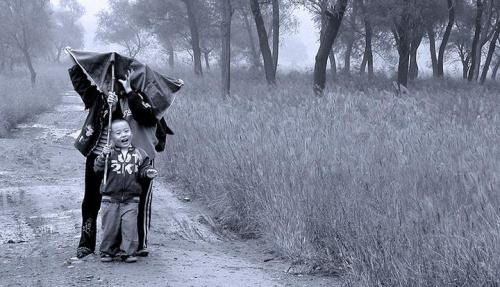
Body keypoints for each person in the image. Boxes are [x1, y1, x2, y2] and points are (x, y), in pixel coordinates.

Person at [69, 64, 163, 259]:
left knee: (118, 200)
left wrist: (118, 103)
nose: (108, 86)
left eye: (113, 82)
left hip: (117, 159)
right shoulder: (95, 97)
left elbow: (127, 127)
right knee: (91, 201)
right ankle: (86, 244)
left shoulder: (129, 99)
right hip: (96, 155)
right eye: (105, 82)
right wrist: (74, 60)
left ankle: (120, 245)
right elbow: (79, 82)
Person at [95, 119, 157, 263]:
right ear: (111, 137)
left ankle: (128, 252)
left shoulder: (139, 153)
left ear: (131, 133)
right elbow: (97, 168)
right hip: (110, 198)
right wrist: (103, 156)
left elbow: (143, 169)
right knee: (110, 227)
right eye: (118, 133)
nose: (124, 135)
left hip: (131, 198)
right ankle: (107, 251)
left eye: (126, 131)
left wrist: (148, 172)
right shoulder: (109, 153)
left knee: (129, 227)